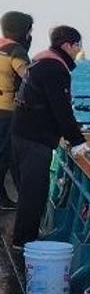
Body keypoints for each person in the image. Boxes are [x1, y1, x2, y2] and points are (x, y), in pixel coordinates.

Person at [10, 24, 86, 252]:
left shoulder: (42, 60)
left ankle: (24, 237)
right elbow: (61, 109)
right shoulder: (55, 68)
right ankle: (23, 242)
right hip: (34, 138)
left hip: (22, 132)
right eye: (78, 45)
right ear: (67, 45)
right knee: (34, 192)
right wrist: (78, 141)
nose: (79, 50)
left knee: (29, 190)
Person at [0, 11, 33, 202]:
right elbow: (28, 78)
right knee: (5, 155)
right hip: (7, 111)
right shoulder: (16, 51)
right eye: (29, 31)